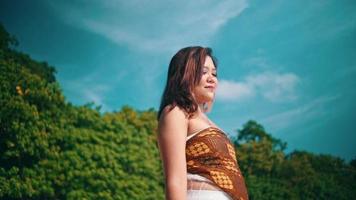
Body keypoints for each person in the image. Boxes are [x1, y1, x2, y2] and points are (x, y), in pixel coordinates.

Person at [157, 46, 249, 200]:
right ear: (184, 75)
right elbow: (175, 181)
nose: (212, 78)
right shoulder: (176, 112)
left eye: (214, 73)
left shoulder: (209, 121)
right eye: (203, 72)